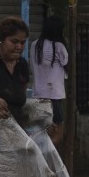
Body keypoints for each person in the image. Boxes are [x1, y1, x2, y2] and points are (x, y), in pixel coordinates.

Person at [27, 14, 69, 145]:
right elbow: (66, 63)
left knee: (41, 129)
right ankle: (50, 156)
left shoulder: (34, 45)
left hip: (37, 94)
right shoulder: (59, 46)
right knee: (58, 131)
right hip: (54, 94)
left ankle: (43, 154)